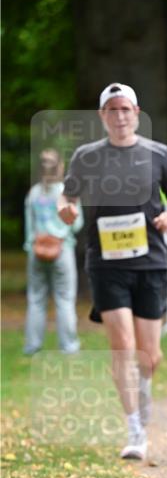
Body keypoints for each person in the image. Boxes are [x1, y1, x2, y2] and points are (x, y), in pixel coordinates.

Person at [58, 82, 167, 460]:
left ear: (137, 113)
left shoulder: (158, 153)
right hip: (105, 263)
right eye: (112, 110)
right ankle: (134, 429)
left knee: (150, 353)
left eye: (125, 109)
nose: (119, 116)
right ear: (102, 116)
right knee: (123, 346)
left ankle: (143, 389)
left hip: (150, 262)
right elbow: (69, 195)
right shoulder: (86, 156)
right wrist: (66, 209)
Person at [24, 148, 83, 356]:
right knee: (65, 298)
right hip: (62, 249)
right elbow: (76, 225)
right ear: (60, 167)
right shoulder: (66, 193)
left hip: (36, 250)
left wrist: (33, 245)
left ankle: (32, 346)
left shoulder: (33, 193)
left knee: (36, 298)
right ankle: (68, 346)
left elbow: (29, 229)